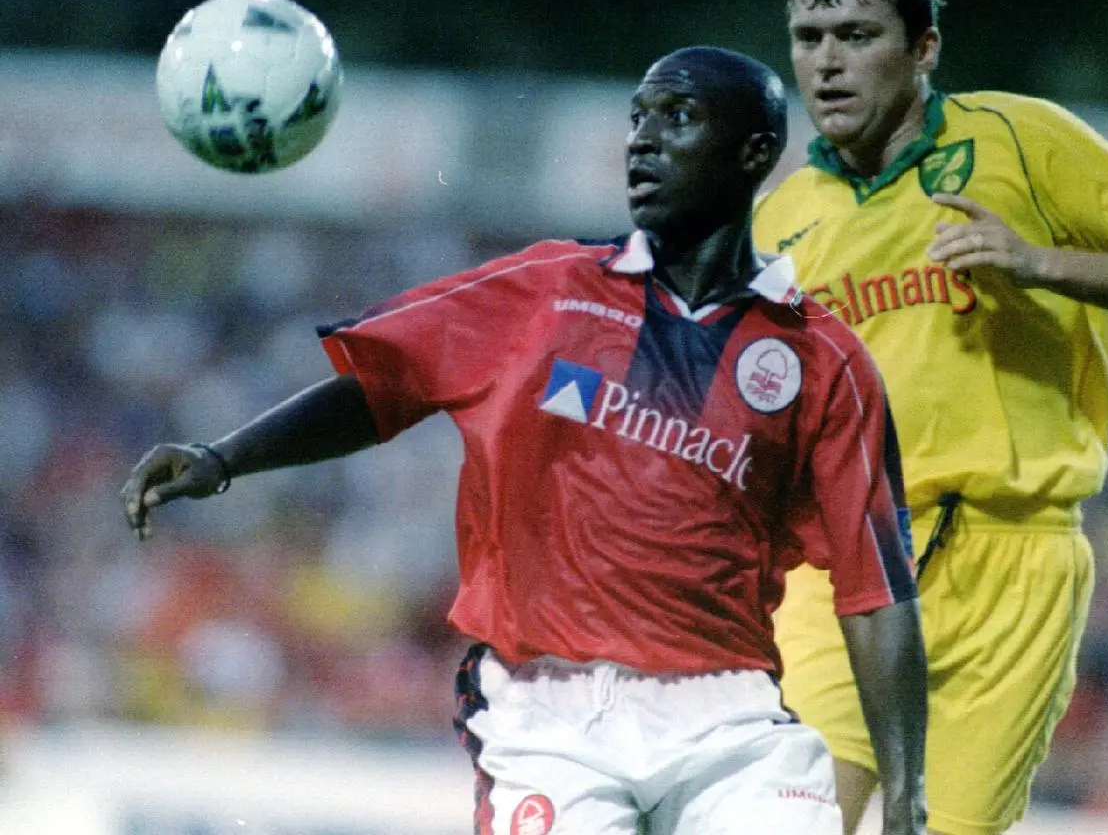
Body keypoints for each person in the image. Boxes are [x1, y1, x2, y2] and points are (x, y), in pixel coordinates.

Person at [121, 46, 929, 835]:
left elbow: (877, 591)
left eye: (678, 115)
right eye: (637, 117)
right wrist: (224, 458)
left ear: (756, 151)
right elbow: (384, 388)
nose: (643, 138)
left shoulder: (824, 360)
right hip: (549, 712)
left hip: (729, 717)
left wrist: (906, 795)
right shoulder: (542, 291)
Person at [752, 0, 1108, 835]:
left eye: (858, 37)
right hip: (841, 571)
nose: (828, 64)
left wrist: (1038, 263)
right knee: (793, 821)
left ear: (924, 47)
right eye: (809, 40)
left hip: (1016, 560)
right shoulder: (779, 221)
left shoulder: (1025, 140)